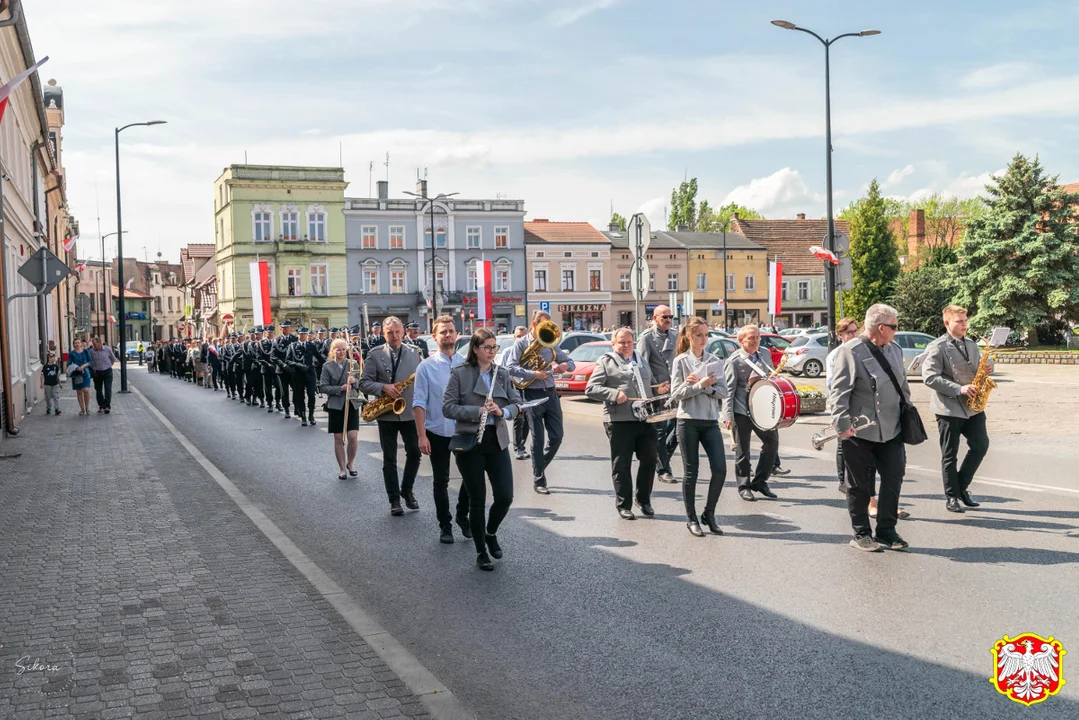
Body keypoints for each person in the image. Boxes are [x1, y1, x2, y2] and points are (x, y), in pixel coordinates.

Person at [831, 303, 910, 552]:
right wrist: (842, 425)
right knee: (859, 484)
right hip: (859, 430)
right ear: (881, 327)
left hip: (891, 428)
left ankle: (887, 530)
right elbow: (839, 393)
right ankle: (862, 533)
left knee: (894, 477)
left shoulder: (895, 350)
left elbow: (903, 387)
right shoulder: (850, 351)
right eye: (894, 327)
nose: (897, 331)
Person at [443, 329, 523, 571]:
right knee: (477, 500)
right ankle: (481, 552)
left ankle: (490, 533)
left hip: (496, 440)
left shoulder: (502, 373)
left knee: (505, 496)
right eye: (487, 347)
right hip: (469, 442)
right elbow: (448, 407)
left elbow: (517, 403)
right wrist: (476, 411)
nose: (492, 351)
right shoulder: (460, 374)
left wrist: (503, 411)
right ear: (476, 349)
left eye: (494, 347)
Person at [585, 328, 666, 520]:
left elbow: (651, 385)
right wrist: (613, 394)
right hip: (620, 420)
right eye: (621, 342)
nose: (626, 346)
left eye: (629, 342)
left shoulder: (640, 359)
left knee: (649, 459)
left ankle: (643, 500)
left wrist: (659, 389)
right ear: (614, 344)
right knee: (622, 464)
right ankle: (624, 504)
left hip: (646, 418)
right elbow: (591, 388)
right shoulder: (606, 361)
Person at [922, 305, 991, 513]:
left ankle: (962, 486)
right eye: (959, 321)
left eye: (965, 320)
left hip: (973, 407)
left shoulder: (971, 344)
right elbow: (930, 377)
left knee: (981, 446)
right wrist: (959, 388)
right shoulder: (937, 346)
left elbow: (981, 366)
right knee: (950, 454)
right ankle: (952, 496)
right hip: (948, 408)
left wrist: (989, 368)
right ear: (947, 323)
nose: (964, 325)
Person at [413, 316, 471, 544]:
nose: (448, 335)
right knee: (441, 480)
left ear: (457, 335)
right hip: (436, 431)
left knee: (470, 477)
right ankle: (444, 525)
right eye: (443, 332)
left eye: (451, 331)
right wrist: (421, 435)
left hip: (463, 430)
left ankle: (461, 516)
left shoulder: (467, 364)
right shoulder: (426, 367)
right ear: (435, 337)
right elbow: (419, 402)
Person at [670, 317, 729, 536]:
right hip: (688, 421)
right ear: (689, 336)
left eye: (706, 335)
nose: (703, 339)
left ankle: (709, 513)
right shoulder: (681, 361)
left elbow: (723, 392)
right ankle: (691, 518)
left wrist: (705, 387)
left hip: (710, 420)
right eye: (699, 335)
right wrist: (698, 385)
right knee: (691, 471)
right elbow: (676, 394)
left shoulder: (715, 360)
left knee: (720, 469)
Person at [504, 310, 574, 494]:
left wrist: (564, 366)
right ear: (534, 325)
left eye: (548, 326)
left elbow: (570, 362)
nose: (546, 330)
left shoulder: (550, 343)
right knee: (537, 437)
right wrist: (533, 374)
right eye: (542, 325)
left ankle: (539, 465)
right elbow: (510, 367)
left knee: (557, 436)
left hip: (550, 392)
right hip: (531, 393)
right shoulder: (520, 343)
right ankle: (539, 480)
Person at [359, 317, 422, 515]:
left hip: (410, 412)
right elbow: (363, 382)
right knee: (389, 458)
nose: (394, 336)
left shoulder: (415, 353)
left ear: (403, 332)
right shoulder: (375, 354)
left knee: (415, 452)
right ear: (383, 334)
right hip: (387, 414)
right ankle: (394, 499)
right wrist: (382, 387)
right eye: (389, 333)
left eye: (397, 332)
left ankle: (407, 489)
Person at [723, 324, 779, 501]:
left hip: (762, 409)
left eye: (757, 337)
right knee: (743, 450)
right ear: (741, 341)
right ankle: (743, 485)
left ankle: (760, 481)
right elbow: (728, 390)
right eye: (751, 338)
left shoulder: (765, 354)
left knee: (772, 443)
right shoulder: (734, 361)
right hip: (742, 410)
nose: (756, 341)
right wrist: (727, 415)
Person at [637, 305, 679, 483]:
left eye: (670, 317)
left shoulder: (676, 336)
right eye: (664, 317)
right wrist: (654, 387)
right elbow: (642, 366)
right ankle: (663, 470)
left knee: (680, 428)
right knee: (660, 432)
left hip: (676, 389)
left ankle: (662, 458)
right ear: (654, 318)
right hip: (658, 391)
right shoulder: (646, 339)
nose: (668, 320)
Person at [321, 338, 361, 479]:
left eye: (344, 349)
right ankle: (342, 468)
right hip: (336, 405)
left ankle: (351, 463)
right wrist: (340, 388)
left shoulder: (353, 364)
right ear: (333, 351)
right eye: (338, 349)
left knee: (353, 437)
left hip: (351, 404)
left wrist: (354, 381)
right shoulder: (327, 366)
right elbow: (323, 387)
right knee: (338, 438)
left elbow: (361, 384)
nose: (342, 352)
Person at [287, 327, 318, 426]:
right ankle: (304, 416)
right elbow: (287, 360)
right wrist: (298, 365)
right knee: (300, 396)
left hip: (310, 374)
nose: (303, 336)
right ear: (298, 335)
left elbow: (319, 357)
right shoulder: (292, 346)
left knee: (311, 395)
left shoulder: (311, 345)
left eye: (305, 334)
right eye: (301, 334)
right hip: (298, 374)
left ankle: (311, 415)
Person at [510, 325, 530, 459]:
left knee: (528, 419)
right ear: (514, 337)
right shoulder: (508, 351)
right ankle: (518, 448)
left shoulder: (532, 352)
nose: (520, 339)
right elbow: (504, 370)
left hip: (528, 387)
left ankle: (522, 445)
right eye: (518, 336)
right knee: (518, 419)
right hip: (514, 388)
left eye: (523, 336)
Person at [274, 320, 298, 417]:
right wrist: (283, 365)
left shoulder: (295, 339)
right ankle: (287, 408)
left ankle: (297, 406)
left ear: (290, 328)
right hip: (282, 369)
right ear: (281, 329)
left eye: (287, 327)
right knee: (284, 391)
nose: (286, 329)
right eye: (284, 328)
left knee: (296, 389)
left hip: (293, 369)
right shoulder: (277, 340)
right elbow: (273, 356)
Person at [88, 336, 117, 414]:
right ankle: (101, 405)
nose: (94, 345)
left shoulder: (107, 349)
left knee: (108, 389)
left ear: (100, 343)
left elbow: (113, 359)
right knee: (98, 389)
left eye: (95, 344)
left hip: (107, 371)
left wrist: (109, 365)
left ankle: (107, 406)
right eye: (93, 344)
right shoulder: (91, 351)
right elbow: (90, 361)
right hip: (97, 372)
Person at [68, 338, 93, 415]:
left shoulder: (86, 351)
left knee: (86, 390)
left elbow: (90, 361)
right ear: (73, 345)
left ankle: (87, 408)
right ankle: (82, 409)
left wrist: (83, 366)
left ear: (81, 343)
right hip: (77, 374)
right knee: (79, 391)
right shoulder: (72, 353)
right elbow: (68, 364)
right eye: (75, 343)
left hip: (85, 372)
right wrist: (76, 367)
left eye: (78, 342)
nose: (77, 344)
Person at [41, 351, 62, 416]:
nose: (53, 358)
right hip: (47, 384)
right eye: (52, 357)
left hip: (55, 384)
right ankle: (49, 407)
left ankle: (57, 409)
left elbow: (57, 375)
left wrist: (60, 383)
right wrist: (42, 383)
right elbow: (42, 375)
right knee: (48, 397)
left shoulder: (56, 366)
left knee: (56, 396)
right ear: (49, 358)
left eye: (54, 357)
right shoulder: (45, 366)